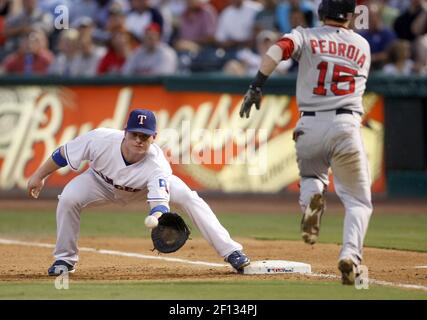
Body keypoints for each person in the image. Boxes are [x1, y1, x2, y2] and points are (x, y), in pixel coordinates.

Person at [239, 0, 372, 285]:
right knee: (358, 201)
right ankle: (350, 255)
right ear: (350, 16)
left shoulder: (304, 35)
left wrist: (256, 86)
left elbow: (277, 50)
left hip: (309, 123)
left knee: (312, 175)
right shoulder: (362, 45)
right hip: (347, 123)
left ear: (321, 13)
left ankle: (311, 204)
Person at [27, 109, 250, 276]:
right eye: (134, 134)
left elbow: (160, 203)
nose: (138, 140)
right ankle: (64, 260)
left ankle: (231, 251)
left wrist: (158, 216)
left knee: (189, 198)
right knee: (68, 198)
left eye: (145, 136)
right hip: (98, 182)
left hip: (143, 190)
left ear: (154, 137)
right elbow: (62, 155)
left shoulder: (158, 164)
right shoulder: (100, 139)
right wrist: (39, 176)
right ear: (125, 132)